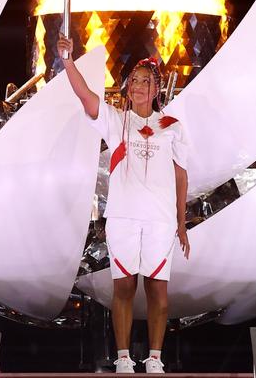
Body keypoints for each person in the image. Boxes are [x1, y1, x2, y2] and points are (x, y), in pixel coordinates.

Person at [58, 35, 190, 375]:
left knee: (158, 289)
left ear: (157, 88)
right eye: (133, 81)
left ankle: (156, 359)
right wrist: (68, 61)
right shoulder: (117, 121)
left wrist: (181, 222)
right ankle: (123, 357)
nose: (138, 86)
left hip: (160, 220)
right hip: (123, 218)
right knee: (125, 286)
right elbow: (86, 98)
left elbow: (180, 176)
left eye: (145, 82)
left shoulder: (172, 127)